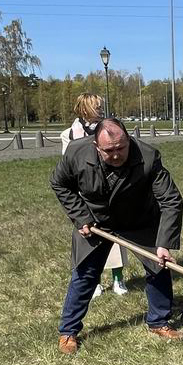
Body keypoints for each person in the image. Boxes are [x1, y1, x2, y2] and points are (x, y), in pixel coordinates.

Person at [50, 117, 183, 354]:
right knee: (85, 273)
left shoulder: (148, 156)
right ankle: (68, 331)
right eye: (109, 151)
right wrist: (81, 217)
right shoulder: (76, 153)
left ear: (128, 140)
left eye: (121, 148)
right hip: (95, 221)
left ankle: (159, 321)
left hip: (139, 220)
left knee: (158, 267)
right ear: (96, 146)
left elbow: (170, 199)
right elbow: (59, 183)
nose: (116, 155)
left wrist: (164, 243)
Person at [60, 93, 129, 298]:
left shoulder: (111, 129)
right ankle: (94, 280)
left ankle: (118, 278)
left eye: (101, 106)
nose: (100, 109)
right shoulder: (70, 134)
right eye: (96, 106)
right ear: (85, 108)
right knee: (89, 241)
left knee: (116, 241)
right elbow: (68, 166)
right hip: (87, 196)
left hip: (111, 194)